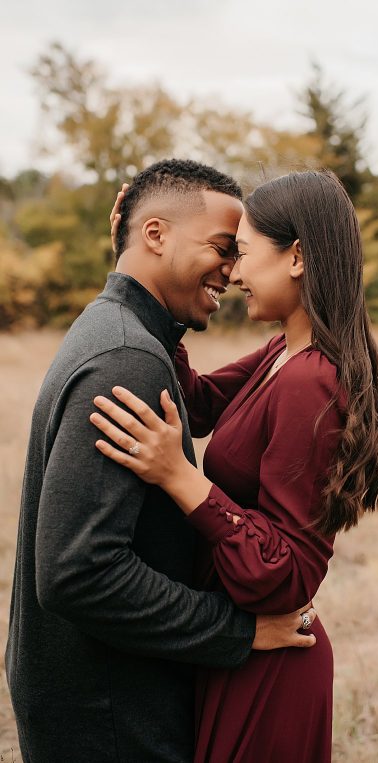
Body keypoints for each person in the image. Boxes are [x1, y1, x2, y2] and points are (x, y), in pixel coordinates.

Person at [5, 159, 316, 762]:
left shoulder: (114, 328)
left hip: (92, 696)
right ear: (155, 234)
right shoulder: (128, 358)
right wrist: (240, 632)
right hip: (111, 713)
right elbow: (79, 573)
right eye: (223, 248)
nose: (233, 268)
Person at [93, 167, 378, 761]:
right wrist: (145, 271)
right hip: (239, 649)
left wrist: (182, 480)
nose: (231, 273)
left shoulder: (313, 383)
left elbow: (288, 575)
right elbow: (201, 402)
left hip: (273, 668)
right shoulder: (286, 352)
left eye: (245, 254)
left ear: (298, 259)